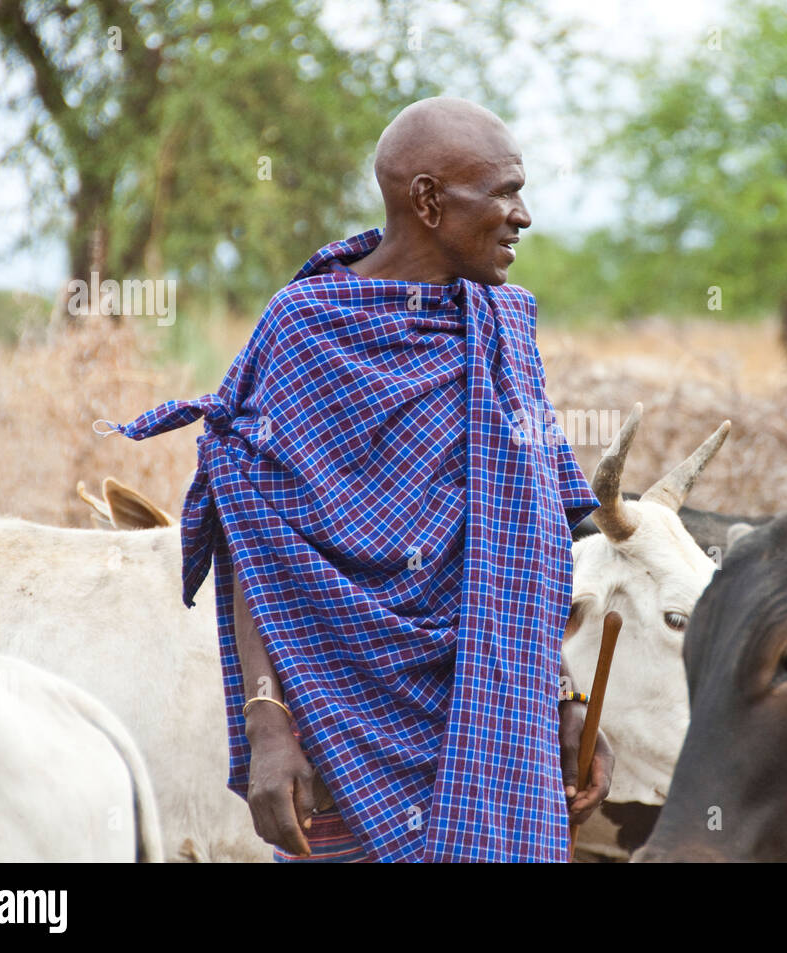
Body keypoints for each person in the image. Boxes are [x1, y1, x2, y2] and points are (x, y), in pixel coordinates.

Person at [102, 97, 613, 862]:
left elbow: (531, 541)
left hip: (500, 728)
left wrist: (567, 698)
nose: (523, 216)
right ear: (430, 201)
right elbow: (255, 545)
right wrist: (267, 724)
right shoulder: (307, 331)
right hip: (343, 733)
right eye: (503, 193)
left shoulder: (505, 327)